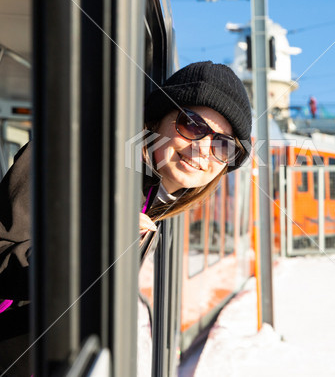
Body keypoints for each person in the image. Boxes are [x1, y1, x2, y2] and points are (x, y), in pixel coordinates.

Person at [0, 61, 252, 376]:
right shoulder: (66, 156)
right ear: (157, 121)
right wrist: (94, 247)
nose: (202, 149)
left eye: (223, 144)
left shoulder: (152, 203)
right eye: (193, 125)